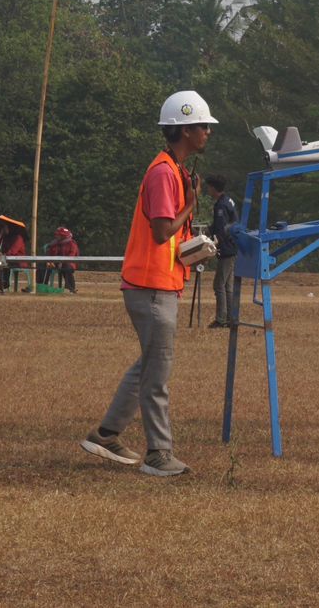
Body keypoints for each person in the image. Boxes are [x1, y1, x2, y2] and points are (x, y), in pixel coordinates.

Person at [80, 89, 215, 477]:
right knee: (157, 374)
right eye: (202, 125)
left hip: (159, 283)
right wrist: (191, 204)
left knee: (149, 366)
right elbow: (160, 232)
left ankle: (106, 434)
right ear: (184, 129)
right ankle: (159, 453)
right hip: (151, 286)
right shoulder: (163, 173)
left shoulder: (172, 170)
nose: (207, 132)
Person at [206, 175, 238, 328]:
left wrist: (214, 242)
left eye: (209, 187)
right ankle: (232, 319)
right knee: (228, 287)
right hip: (233, 247)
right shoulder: (229, 201)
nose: (208, 190)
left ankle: (221, 319)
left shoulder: (220, 206)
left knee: (219, 285)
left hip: (226, 249)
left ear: (213, 188)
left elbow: (221, 229)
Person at [46, 226, 79, 293]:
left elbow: (71, 256)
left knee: (66, 267)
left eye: (59, 235)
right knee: (42, 265)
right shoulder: (55, 243)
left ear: (64, 236)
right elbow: (51, 255)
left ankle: (70, 288)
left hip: (69, 264)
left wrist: (62, 262)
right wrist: (49, 261)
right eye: (57, 234)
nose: (56, 236)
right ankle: (40, 285)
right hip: (56, 263)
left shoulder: (72, 244)